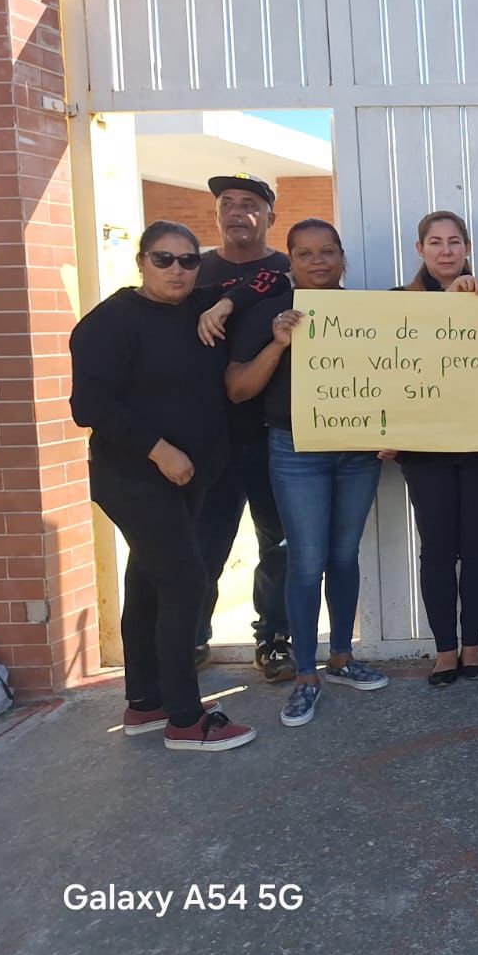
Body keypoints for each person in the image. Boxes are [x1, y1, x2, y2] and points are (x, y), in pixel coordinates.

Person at [69, 221, 258, 752]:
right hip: (135, 475)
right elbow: (91, 405)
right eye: (163, 259)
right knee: (184, 582)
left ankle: (146, 702)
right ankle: (185, 720)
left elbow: (273, 278)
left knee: (150, 583)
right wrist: (160, 450)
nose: (177, 270)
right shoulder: (108, 323)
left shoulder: (201, 304)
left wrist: (224, 305)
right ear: (141, 261)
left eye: (187, 260)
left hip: (190, 477)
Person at [227, 220, 390, 727]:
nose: (317, 261)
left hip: (359, 450)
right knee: (306, 560)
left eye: (327, 252)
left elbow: (401, 375)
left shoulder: (370, 312)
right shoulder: (266, 315)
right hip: (295, 447)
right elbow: (238, 389)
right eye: (305, 253)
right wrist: (278, 343)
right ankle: (304, 675)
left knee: (343, 555)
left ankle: (341, 657)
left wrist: (395, 431)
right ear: (290, 262)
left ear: (343, 257)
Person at [391, 212, 478, 687]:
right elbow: (385, 373)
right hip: (423, 446)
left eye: (454, 242)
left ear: (467, 247)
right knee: (436, 549)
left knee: (477, 546)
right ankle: (444, 650)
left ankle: (473, 645)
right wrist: (380, 429)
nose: (446, 251)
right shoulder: (397, 304)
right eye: (435, 242)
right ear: (420, 249)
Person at [192, 173, 294, 681]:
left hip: (268, 431)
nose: (237, 212)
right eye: (227, 203)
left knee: (276, 544)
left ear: (270, 216)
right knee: (202, 540)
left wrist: (229, 302)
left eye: (249, 204)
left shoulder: (284, 270)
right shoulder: (192, 268)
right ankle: (191, 636)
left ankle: (273, 638)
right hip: (204, 434)